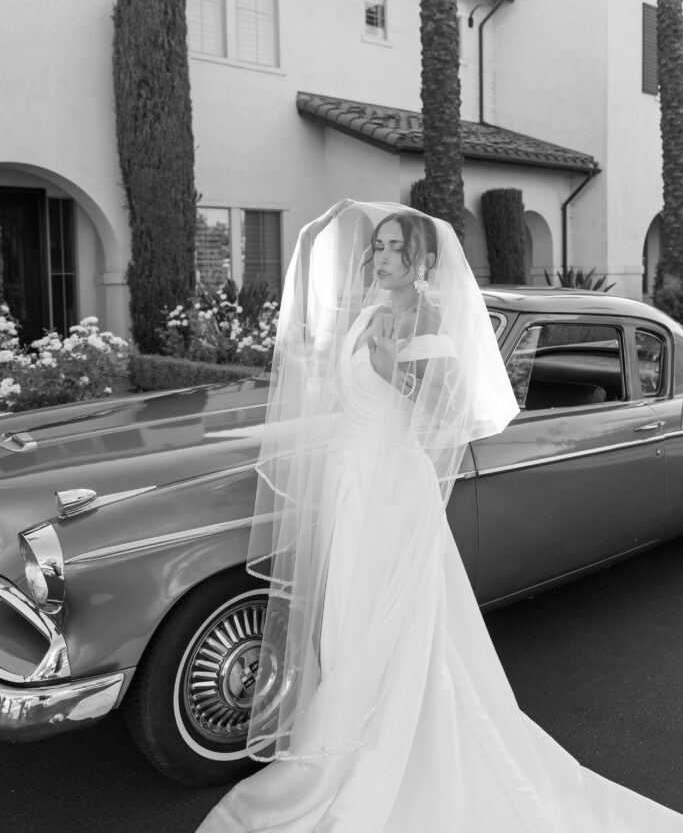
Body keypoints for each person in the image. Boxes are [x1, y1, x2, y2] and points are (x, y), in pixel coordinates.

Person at [197, 200, 683, 832]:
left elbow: (442, 417)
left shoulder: (432, 322)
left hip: (392, 489)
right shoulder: (368, 312)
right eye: (379, 246)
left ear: (424, 259)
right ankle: (345, 729)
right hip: (351, 479)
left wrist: (389, 372)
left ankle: (385, 745)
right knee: (350, 611)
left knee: (392, 622)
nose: (384, 258)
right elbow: (340, 390)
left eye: (397, 248)